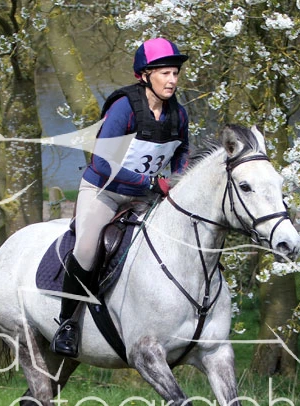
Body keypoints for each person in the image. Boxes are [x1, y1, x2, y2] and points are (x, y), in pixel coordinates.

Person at [51, 37, 191, 358]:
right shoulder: (124, 108)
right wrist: (149, 181)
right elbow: (102, 163)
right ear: (145, 75)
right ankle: (67, 323)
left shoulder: (178, 114)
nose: (172, 80)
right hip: (105, 192)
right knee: (87, 248)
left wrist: (179, 180)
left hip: (144, 196)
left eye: (175, 73)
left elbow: (182, 151)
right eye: (165, 73)